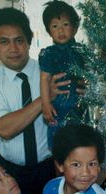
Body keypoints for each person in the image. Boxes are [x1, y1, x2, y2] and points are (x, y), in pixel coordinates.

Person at [0, 7, 72, 194]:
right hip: (9, 174)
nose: (13, 49)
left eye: (19, 40)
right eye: (4, 42)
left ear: (29, 41)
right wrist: (46, 97)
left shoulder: (51, 72)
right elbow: (5, 128)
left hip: (50, 168)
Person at [39, 0, 86, 149]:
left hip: (79, 106)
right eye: (55, 26)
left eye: (65, 25)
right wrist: (45, 103)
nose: (60, 31)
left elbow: (91, 75)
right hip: (57, 107)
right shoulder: (49, 54)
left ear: (75, 27)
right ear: (48, 31)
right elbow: (44, 78)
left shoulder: (82, 51)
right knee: (59, 145)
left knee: (80, 142)